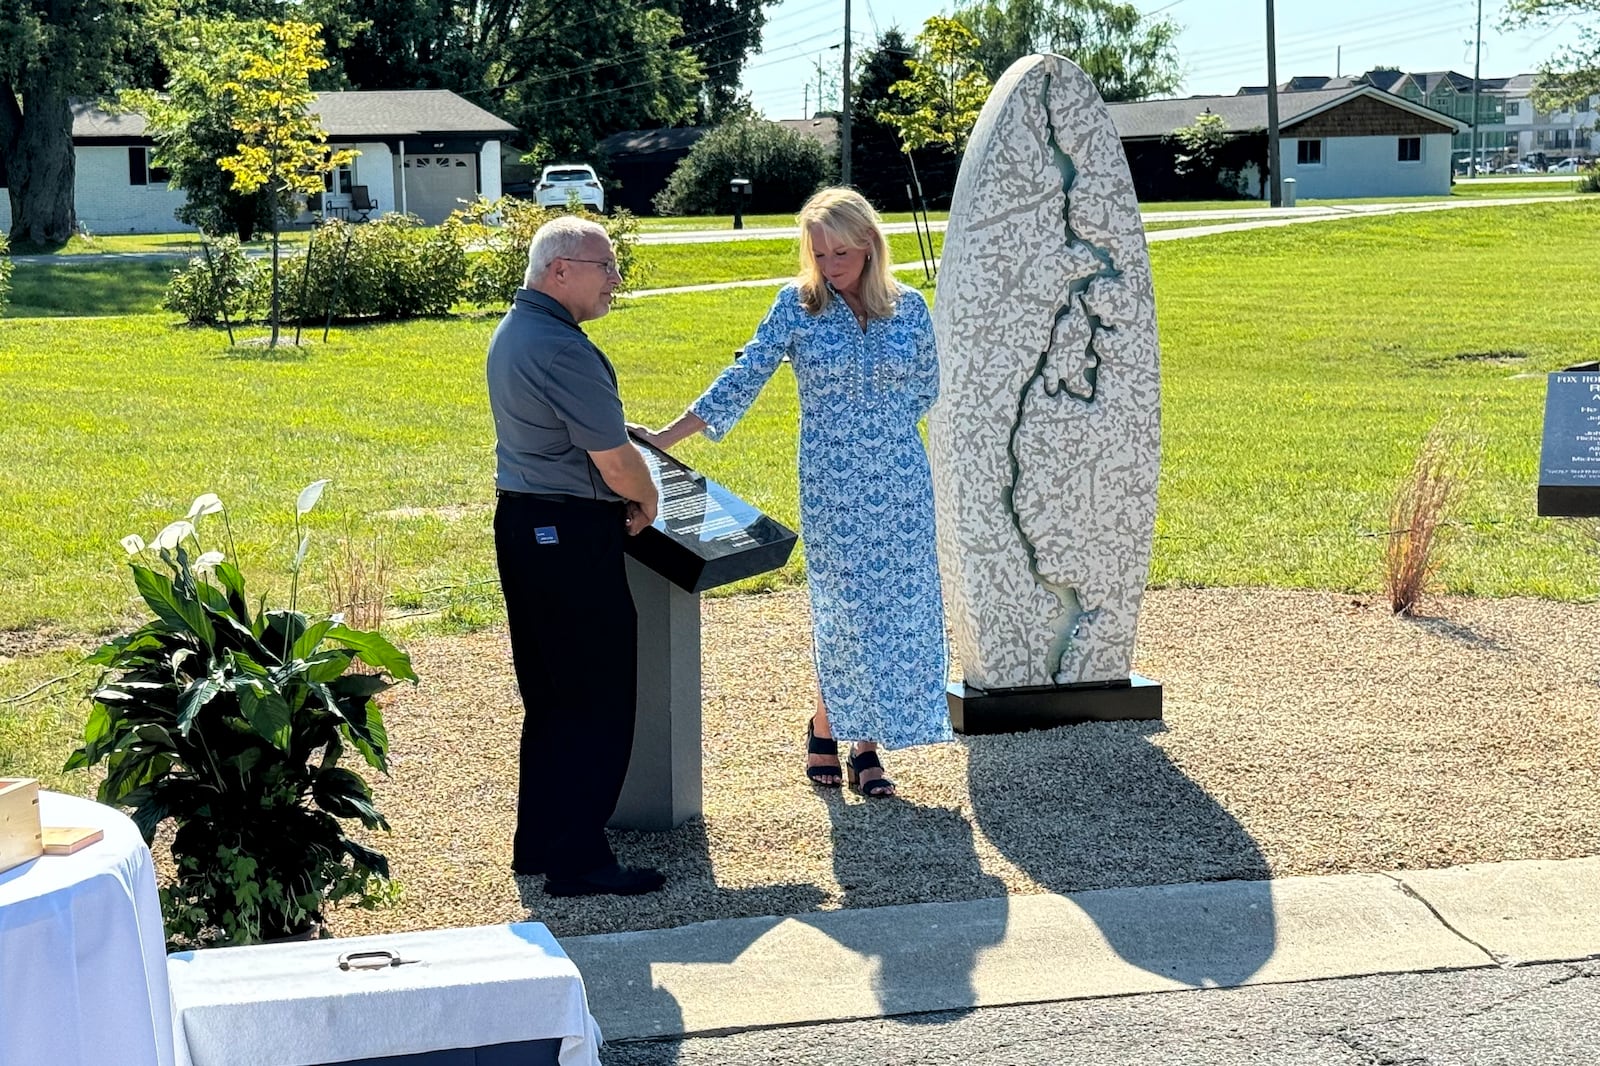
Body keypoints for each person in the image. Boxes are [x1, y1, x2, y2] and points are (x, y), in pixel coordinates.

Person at [635, 187, 952, 798]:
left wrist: (879, 428)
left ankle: (865, 745)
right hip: (832, 480)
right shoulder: (797, 305)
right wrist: (671, 434)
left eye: (841, 253)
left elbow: (927, 386)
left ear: (868, 247)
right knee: (844, 606)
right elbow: (747, 371)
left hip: (901, 477)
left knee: (897, 605)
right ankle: (832, 726)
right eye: (819, 253)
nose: (830, 265)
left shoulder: (909, 308)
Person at [486, 215, 664, 896]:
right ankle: (581, 860)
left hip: (528, 524)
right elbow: (614, 463)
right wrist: (647, 499)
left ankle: (542, 843)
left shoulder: (520, 330)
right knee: (595, 697)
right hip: (568, 533)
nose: (615, 279)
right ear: (561, 270)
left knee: (553, 698)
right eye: (606, 266)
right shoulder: (561, 347)